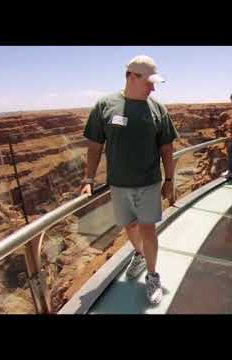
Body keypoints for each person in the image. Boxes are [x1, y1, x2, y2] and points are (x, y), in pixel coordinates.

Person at [81, 55, 179, 305]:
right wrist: (88, 179)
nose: (153, 88)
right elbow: (94, 145)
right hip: (119, 183)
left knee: (148, 229)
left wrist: (169, 179)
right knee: (130, 226)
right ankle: (138, 253)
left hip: (149, 182)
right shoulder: (105, 105)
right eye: (149, 82)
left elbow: (167, 148)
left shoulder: (158, 108)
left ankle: (152, 274)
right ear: (132, 77)